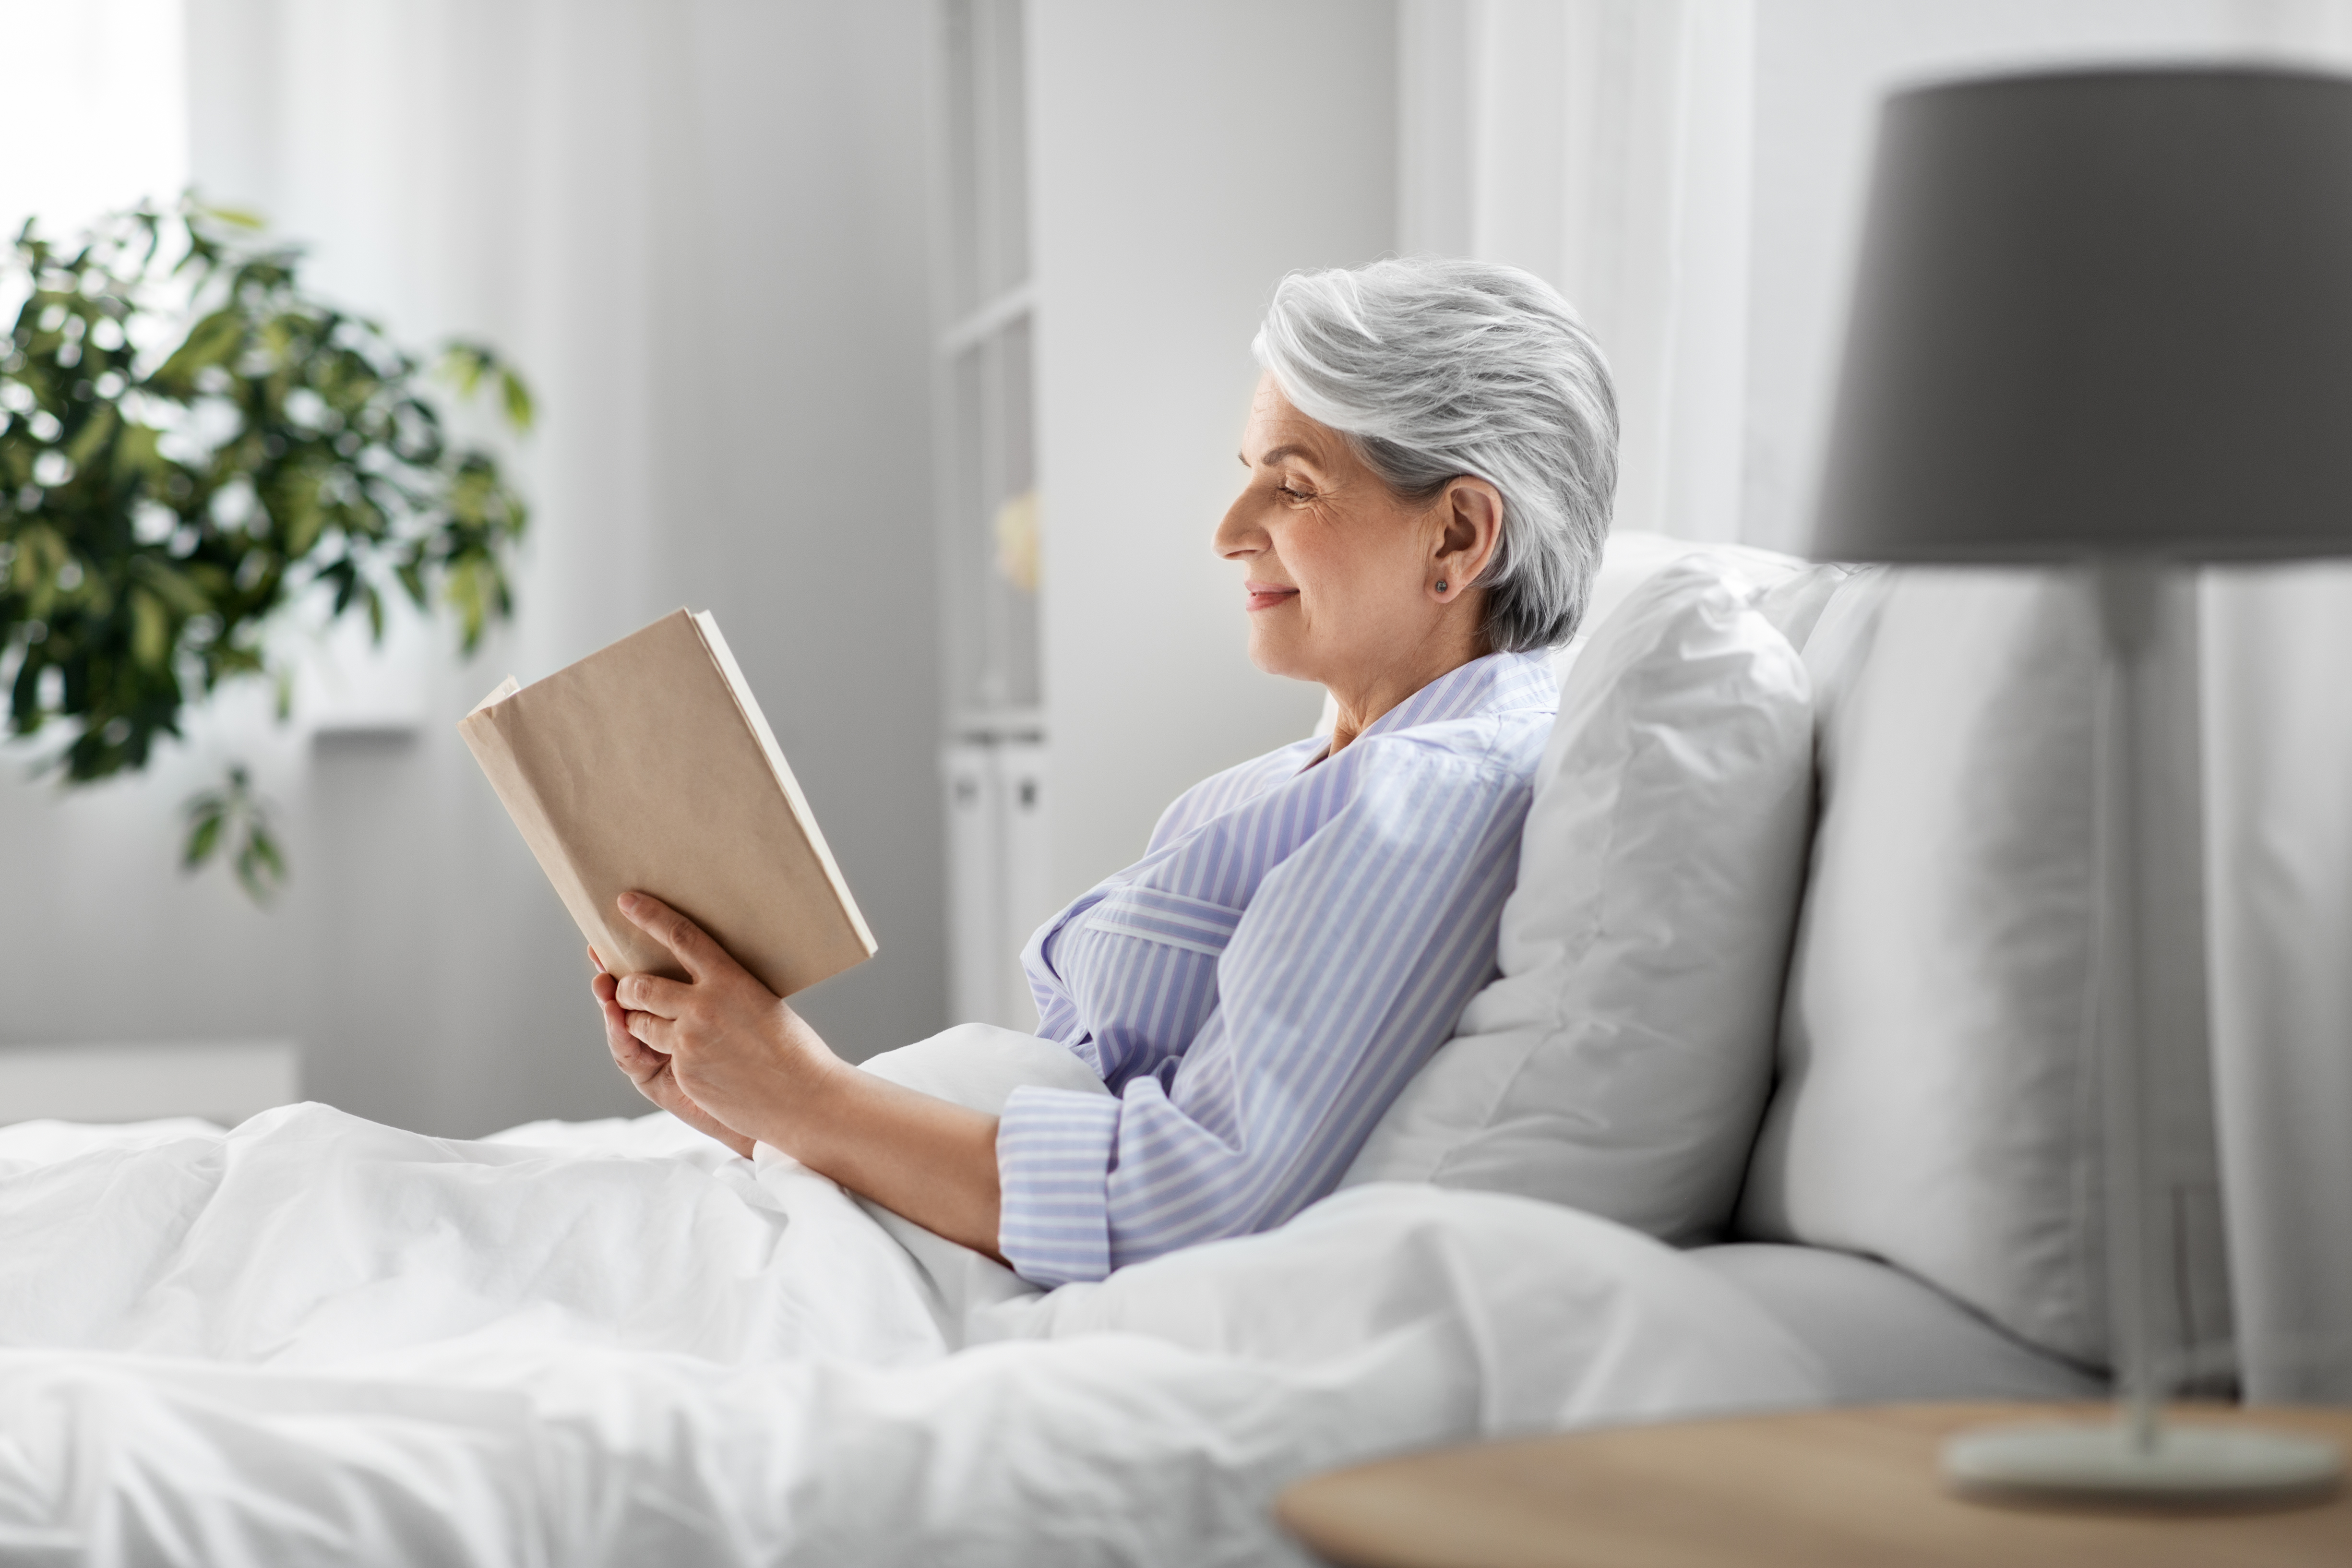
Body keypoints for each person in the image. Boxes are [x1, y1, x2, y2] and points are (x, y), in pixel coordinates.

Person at [594, 256, 1618, 1287]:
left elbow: (1186, 1198)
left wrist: (807, 1097)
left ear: (1457, 535)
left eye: (1293, 484)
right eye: (1250, 471)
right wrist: (747, 1103)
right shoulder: (1294, 782)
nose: (1228, 531)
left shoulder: (1431, 797)